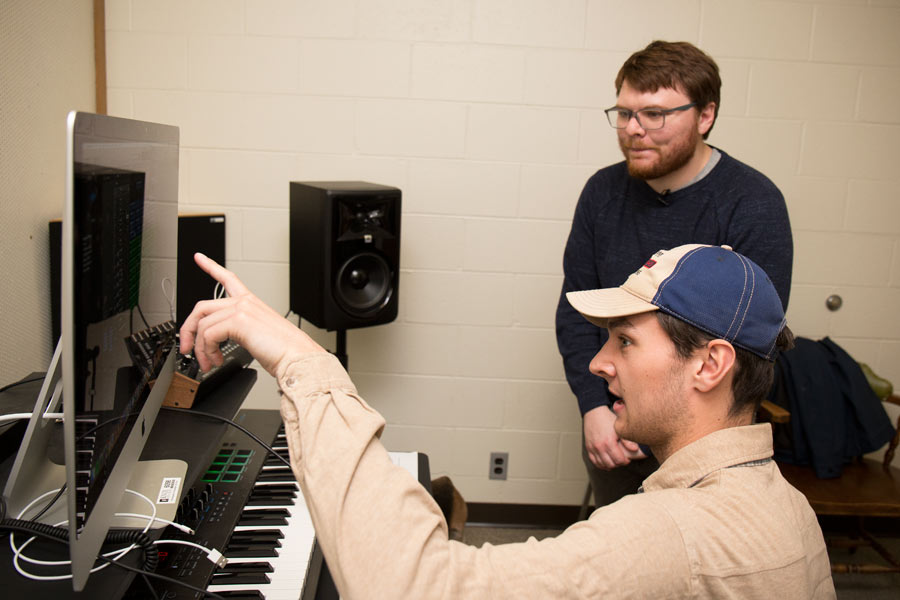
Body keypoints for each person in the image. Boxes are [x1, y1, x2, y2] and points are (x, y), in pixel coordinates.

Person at [180, 245, 834, 598]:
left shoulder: (670, 535)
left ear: (710, 364)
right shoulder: (786, 508)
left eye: (627, 342)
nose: (600, 363)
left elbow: (415, 590)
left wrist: (304, 363)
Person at [556, 40, 794, 510]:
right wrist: (595, 408)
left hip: (706, 443)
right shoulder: (602, 193)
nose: (633, 130)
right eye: (623, 113)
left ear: (705, 116)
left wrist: (661, 437)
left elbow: (748, 346)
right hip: (615, 423)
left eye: (654, 114)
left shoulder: (754, 203)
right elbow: (575, 313)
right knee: (621, 562)